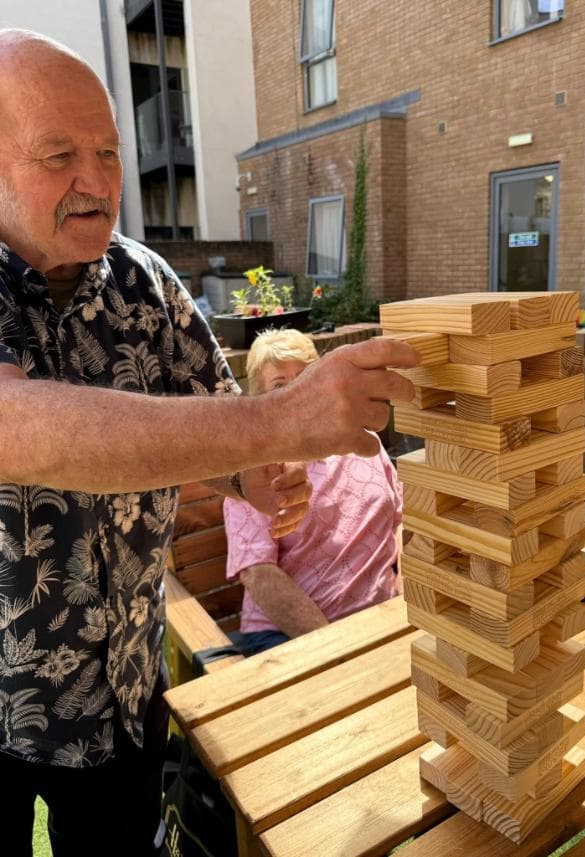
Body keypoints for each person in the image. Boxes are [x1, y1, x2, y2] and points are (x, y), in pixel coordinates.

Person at [0, 29, 418, 857]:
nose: (96, 182)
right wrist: (280, 420)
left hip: (126, 693)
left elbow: (223, 426)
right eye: (59, 155)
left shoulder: (147, 285)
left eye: (109, 153)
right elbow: (14, 428)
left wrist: (252, 477)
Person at [224, 329, 403, 655]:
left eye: (306, 378)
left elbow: (401, 521)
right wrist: (335, 651)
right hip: (291, 636)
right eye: (280, 385)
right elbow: (259, 574)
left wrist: (409, 592)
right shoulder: (257, 473)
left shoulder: (364, 444)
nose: (297, 395)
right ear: (260, 400)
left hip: (383, 618)